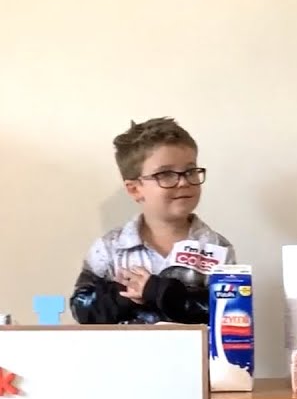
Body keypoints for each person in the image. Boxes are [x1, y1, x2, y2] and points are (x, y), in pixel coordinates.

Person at [71, 117, 236, 326]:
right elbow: (82, 309)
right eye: (165, 174)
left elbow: (230, 315)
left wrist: (160, 292)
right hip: (125, 357)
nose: (184, 181)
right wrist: (124, 294)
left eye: (190, 170)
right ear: (135, 189)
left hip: (194, 358)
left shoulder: (216, 247)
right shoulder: (110, 248)